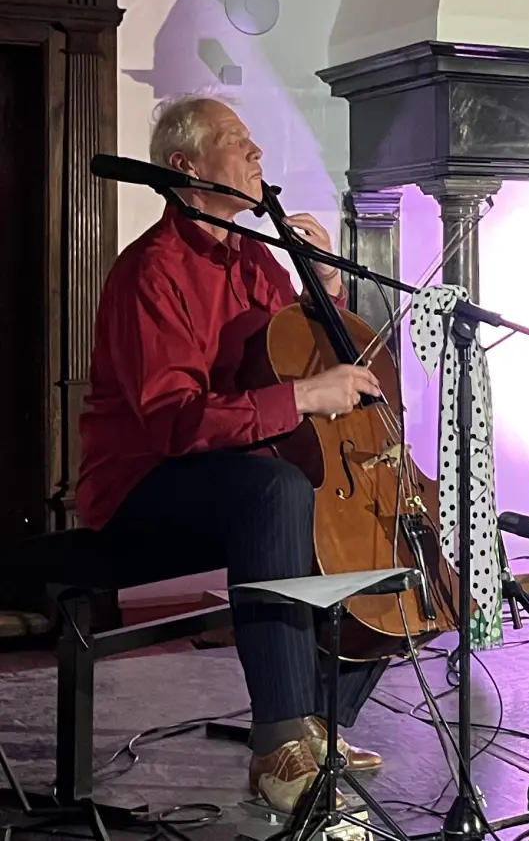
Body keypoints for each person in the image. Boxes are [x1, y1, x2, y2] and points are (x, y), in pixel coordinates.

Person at [77, 93, 389, 812]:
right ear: (186, 167)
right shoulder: (151, 271)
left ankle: (319, 721)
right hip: (144, 482)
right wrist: (303, 398)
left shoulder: (257, 260)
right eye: (235, 139)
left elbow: (291, 357)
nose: (255, 152)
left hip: (235, 469)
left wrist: (325, 290)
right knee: (276, 492)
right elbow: (174, 425)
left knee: (367, 505)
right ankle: (277, 740)